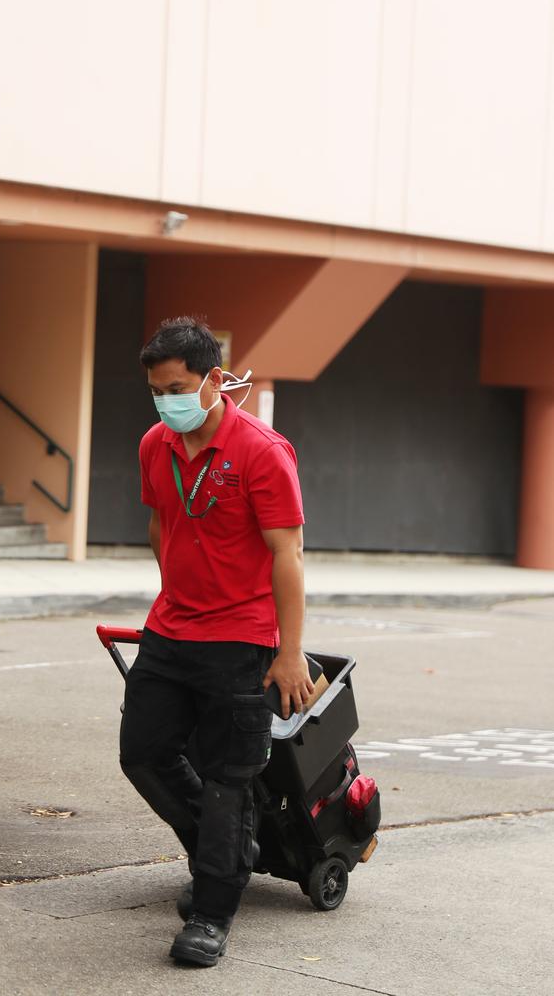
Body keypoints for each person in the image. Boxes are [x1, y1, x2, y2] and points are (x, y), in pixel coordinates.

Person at [119, 316, 313, 967]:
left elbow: (288, 555)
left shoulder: (260, 449)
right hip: (171, 628)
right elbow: (159, 523)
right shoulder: (156, 443)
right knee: (144, 753)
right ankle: (224, 854)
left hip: (241, 638)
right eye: (155, 389)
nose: (165, 401)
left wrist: (288, 653)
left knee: (231, 779)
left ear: (211, 380)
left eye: (175, 387)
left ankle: (211, 912)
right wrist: (177, 589)